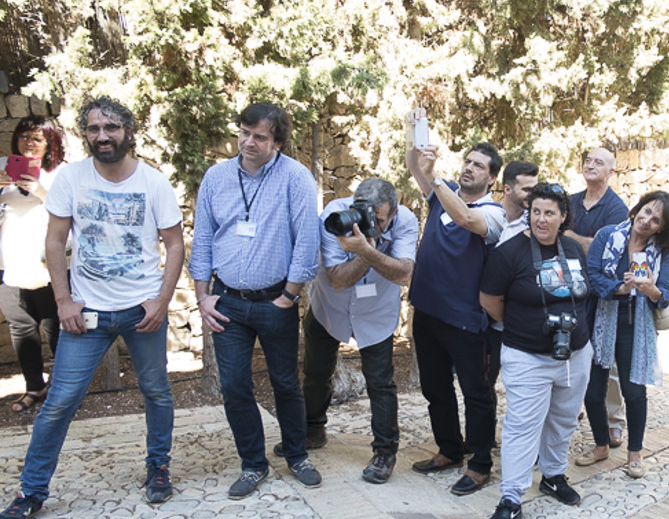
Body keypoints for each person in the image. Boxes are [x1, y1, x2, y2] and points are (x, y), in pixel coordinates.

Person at [0, 97, 183, 519]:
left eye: (112, 127)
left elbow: (174, 245)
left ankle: (158, 468)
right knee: (59, 401)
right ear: (86, 134)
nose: (103, 136)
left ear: (128, 131)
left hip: (142, 311)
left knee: (156, 391)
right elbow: (54, 240)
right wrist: (63, 302)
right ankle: (30, 492)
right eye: (95, 128)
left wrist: (161, 301)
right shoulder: (72, 179)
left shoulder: (153, 183)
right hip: (88, 313)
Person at [190, 102, 321, 499]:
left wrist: (289, 295)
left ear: (277, 142)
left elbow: (307, 240)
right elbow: (204, 238)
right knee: (234, 386)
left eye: (259, 136)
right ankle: (253, 464)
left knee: (285, 383)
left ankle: (297, 455)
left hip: (274, 302)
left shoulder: (296, 178)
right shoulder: (216, 177)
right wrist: (203, 298)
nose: (248, 142)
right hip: (227, 302)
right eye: (244, 133)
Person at [287, 177, 417, 484]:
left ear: (394, 213)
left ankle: (385, 451)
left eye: (380, 220)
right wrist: (367, 253)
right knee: (317, 372)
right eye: (365, 215)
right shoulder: (335, 215)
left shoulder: (406, 221)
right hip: (328, 307)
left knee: (380, 383)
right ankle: (313, 429)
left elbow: (405, 273)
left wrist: (365, 251)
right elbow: (337, 279)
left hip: (376, 312)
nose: (370, 224)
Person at [479, 183, 592, 519]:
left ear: (563, 217)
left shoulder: (573, 248)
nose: (541, 219)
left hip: (575, 353)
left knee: (563, 419)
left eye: (550, 213)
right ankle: (511, 498)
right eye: (536, 212)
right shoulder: (509, 253)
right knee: (523, 426)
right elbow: (489, 301)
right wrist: (522, 326)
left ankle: (553, 475)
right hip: (527, 355)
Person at [405, 109, 505, 496]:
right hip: (427, 312)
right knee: (435, 389)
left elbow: (465, 218)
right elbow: (416, 167)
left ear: (492, 178)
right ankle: (449, 449)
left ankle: (480, 464)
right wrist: (412, 134)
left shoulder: (492, 213)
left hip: (466, 321)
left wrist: (435, 179)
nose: (469, 169)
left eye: (479, 166)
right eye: (467, 161)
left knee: (476, 393)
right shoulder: (440, 194)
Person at [577, 191, 669, 478]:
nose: (647, 220)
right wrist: (620, 288)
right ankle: (601, 444)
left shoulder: (662, 252)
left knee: (634, 392)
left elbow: (665, 295)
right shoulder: (608, 235)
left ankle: (635, 453)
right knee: (593, 391)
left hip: (634, 327)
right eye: (647, 211)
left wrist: (649, 289)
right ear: (639, 207)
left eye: (656, 219)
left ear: (663, 228)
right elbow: (592, 276)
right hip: (600, 320)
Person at [564, 147, 631, 451]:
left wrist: (569, 237)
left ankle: (614, 421)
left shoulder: (616, 208)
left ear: (610, 172)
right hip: (570, 289)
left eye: (598, 162)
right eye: (588, 160)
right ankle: (576, 405)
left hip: (603, 292)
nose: (590, 165)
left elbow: (604, 251)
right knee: (573, 350)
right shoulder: (573, 200)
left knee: (608, 359)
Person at [0, 116, 66, 412]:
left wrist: (39, 189)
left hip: (46, 262)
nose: (29, 142)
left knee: (55, 326)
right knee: (21, 327)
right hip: (10, 259)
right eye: (24, 136)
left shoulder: (60, 174)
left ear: (50, 143)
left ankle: (63, 389)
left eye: (37, 138)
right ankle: (34, 387)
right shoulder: (3, 165)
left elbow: (68, 211)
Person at [486, 160, 539, 390]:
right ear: (507, 189)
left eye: (534, 189)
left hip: (521, 327)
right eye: (527, 189)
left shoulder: (537, 227)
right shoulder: (486, 216)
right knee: (483, 387)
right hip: (487, 324)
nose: (532, 195)